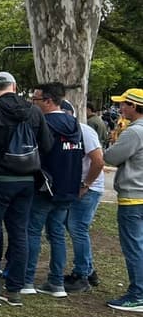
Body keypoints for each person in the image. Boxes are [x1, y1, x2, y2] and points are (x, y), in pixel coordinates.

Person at [0, 72, 52, 307]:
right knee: (19, 232)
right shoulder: (34, 111)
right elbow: (47, 144)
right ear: (14, 86)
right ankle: (14, 289)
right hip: (26, 181)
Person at [23, 83, 84, 298]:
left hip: (44, 186)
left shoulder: (41, 124)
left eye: (35, 99)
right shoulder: (74, 124)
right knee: (57, 234)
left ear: (48, 101)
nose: (33, 103)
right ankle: (57, 282)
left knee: (32, 231)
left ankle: (27, 280)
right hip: (68, 187)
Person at [102, 88, 143, 312]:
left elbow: (111, 157)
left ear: (134, 107)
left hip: (133, 196)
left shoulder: (134, 132)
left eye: (124, 104)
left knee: (133, 247)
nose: (120, 109)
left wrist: (112, 142)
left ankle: (137, 294)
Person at [61, 100, 105, 293]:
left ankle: (81, 275)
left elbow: (98, 161)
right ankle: (88, 269)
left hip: (88, 188)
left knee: (77, 227)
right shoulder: (63, 131)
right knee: (72, 226)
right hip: (75, 187)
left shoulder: (84, 131)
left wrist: (86, 184)